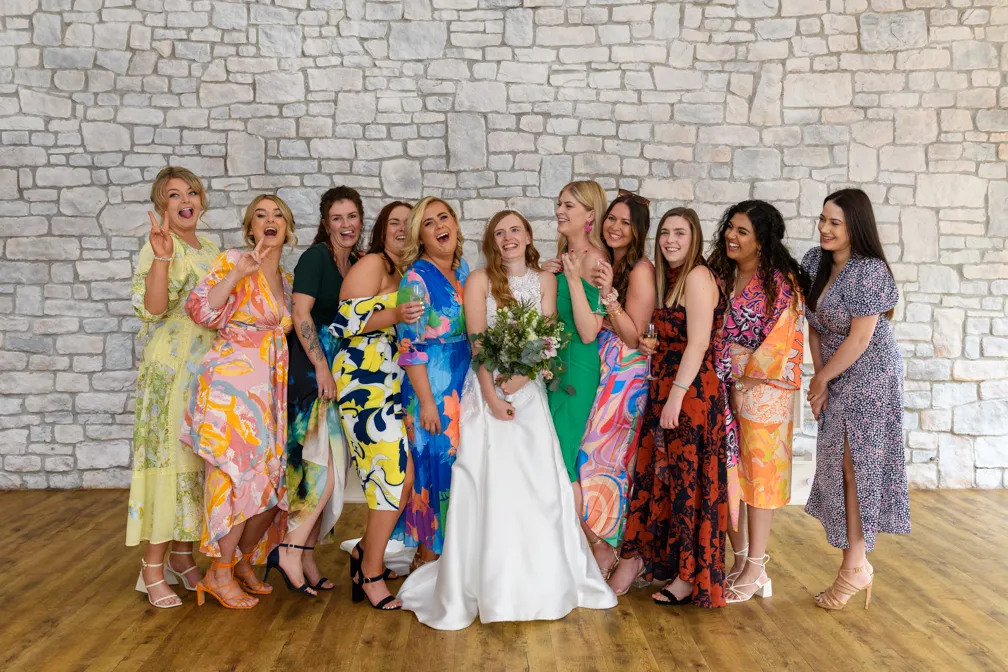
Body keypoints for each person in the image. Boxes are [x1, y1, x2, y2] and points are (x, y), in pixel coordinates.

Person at [396, 210, 617, 629]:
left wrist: (522, 376)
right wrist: (493, 395)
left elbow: (550, 334)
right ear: (492, 243)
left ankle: (542, 580)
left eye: (515, 229)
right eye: (500, 233)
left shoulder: (546, 280)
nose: (508, 237)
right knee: (490, 484)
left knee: (537, 486)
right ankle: (485, 583)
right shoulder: (479, 281)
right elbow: (478, 343)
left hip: (529, 392)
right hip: (485, 394)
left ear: (529, 235)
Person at [608, 208, 729, 608]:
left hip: (690, 395)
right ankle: (665, 564)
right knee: (666, 481)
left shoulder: (697, 276)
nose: (670, 240)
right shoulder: (672, 279)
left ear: (694, 238)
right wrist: (652, 346)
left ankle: (689, 577)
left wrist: (676, 396)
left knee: (689, 486)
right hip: (668, 386)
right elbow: (675, 337)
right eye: (664, 233)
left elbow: (698, 343)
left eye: (680, 233)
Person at [182, 195, 295, 609]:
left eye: (277, 215)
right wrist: (237, 274)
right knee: (236, 477)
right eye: (260, 215)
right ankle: (218, 572)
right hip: (231, 386)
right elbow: (200, 310)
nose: (269, 220)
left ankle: (244, 561)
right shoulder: (234, 259)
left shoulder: (285, 278)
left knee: (267, 481)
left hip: (267, 390)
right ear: (250, 228)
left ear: (287, 227)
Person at [803, 188, 909, 610]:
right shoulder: (813, 261)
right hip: (833, 371)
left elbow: (862, 337)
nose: (824, 229)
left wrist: (823, 378)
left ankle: (855, 565)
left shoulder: (871, 271)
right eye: (822, 219)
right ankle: (855, 563)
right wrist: (820, 378)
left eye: (835, 223)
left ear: (855, 227)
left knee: (856, 466)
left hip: (871, 374)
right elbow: (812, 325)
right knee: (839, 465)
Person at [707, 200, 809, 603]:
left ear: (762, 241)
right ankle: (740, 558)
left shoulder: (780, 283)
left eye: (742, 231)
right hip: (721, 379)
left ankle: (757, 567)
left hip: (763, 387)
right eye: (730, 227)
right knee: (729, 467)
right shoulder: (720, 273)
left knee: (759, 474)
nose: (732, 235)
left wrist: (745, 378)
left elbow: (784, 340)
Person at [127, 166, 219, 608]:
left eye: (193, 192)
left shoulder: (213, 248)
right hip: (171, 368)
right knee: (169, 458)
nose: (186, 200)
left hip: (208, 370)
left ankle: (183, 556)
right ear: (161, 206)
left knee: (196, 462)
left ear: (201, 200)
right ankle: (151, 568)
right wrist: (162, 257)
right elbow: (154, 308)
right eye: (174, 194)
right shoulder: (160, 245)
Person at [332, 200, 423, 610]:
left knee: (403, 479)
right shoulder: (373, 263)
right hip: (362, 382)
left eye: (409, 223)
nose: (402, 229)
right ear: (382, 230)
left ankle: (364, 556)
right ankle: (371, 573)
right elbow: (342, 320)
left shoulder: (410, 274)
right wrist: (393, 313)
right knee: (391, 476)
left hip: (394, 384)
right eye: (395, 223)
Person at [281, 187, 364, 596]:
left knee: (330, 466)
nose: (346, 225)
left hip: (340, 371)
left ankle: (307, 555)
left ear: (361, 220)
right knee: (320, 468)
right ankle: (290, 552)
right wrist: (321, 367)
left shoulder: (356, 262)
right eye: (337, 218)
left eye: (352, 217)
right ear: (325, 223)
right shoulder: (315, 258)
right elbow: (300, 313)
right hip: (313, 370)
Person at [576, 190, 655, 579]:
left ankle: (613, 551)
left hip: (627, 375)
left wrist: (608, 296)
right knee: (597, 460)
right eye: (612, 219)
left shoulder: (640, 269)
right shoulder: (610, 262)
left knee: (601, 460)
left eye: (626, 222)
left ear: (638, 231)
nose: (616, 227)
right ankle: (608, 547)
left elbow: (632, 335)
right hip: (605, 370)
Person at [396, 198, 472, 570]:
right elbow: (409, 348)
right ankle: (427, 556)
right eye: (428, 223)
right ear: (420, 236)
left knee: (457, 466)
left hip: (464, 383)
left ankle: (451, 554)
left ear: (455, 224)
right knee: (433, 466)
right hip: (432, 388)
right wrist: (426, 403)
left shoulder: (466, 270)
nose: (440, 225)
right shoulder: (415, 278)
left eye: (444, 217)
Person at [542, 180, 609, 516]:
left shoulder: (596, 260)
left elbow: (587, 332)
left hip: (577, 368)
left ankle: (580, 551)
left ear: (589, 215)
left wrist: (568, 279)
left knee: (563, 455)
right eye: (559, 203)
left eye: (568, 205)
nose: (559, 210)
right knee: (549, 452)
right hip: (553, 365)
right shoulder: (563, 257)